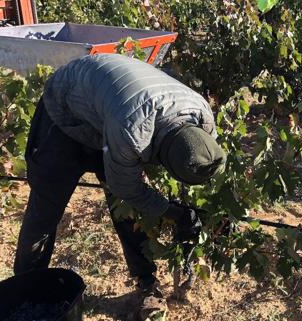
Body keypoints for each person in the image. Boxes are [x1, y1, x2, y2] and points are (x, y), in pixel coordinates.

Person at [14, 54, 226, 317]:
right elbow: (128, 188)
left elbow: (200, 159)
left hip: (108, 114)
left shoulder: (203, 117)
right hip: (64, 113)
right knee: (44, 212)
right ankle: (23, 295)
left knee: (127, 212)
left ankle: (147, 285)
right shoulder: (132, 133)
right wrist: (174, 213)